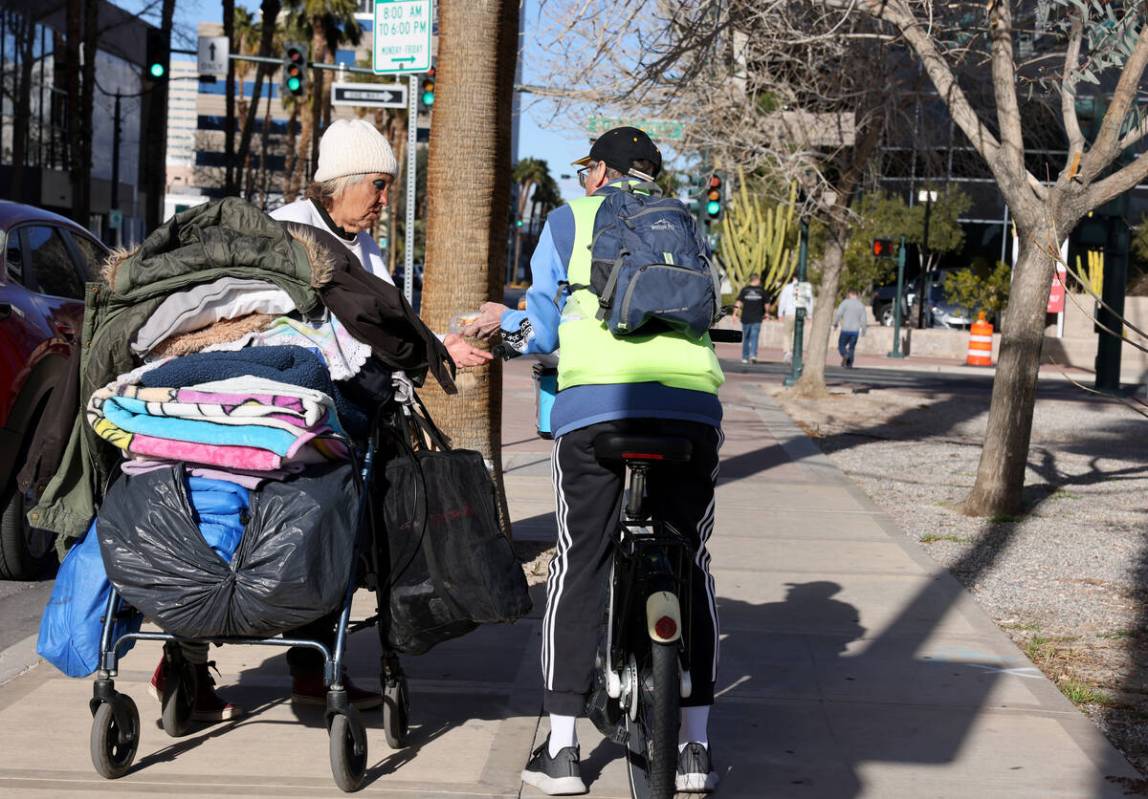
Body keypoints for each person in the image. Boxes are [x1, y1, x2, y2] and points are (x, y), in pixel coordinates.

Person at [466, 127, 724, 795]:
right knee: (690, 559)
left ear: (601, 173)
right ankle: (695, 749)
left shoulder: (568, 218)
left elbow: (545, 330)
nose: (585, 181)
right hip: (692, 412)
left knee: (580, 560)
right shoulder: (687, 221)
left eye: (587, 171)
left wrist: (508, 321)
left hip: (598, 414)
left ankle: (560, 750)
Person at [733, 273, 767, 364]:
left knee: (747, 338)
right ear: (756, 280)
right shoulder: (761, 290)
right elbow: (767, 303)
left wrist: (734, 314)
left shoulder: (745, 290)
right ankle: (753, 355)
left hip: (746, 318)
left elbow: (738, 302)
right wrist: (767, 313)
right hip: (756, 318)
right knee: (754, 337)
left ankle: (745, 357)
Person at [833, 289, 868, 368]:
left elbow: (838, 314)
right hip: (855, 331)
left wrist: (835, 323)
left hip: (845, 329)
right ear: (857, 295)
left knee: (841, 346)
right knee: (852, 347)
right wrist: (864, 330)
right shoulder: (861, 305)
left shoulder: (845, 303)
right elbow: (864, 319)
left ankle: (845, 355)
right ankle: (849, 364)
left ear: (850, 294)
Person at [776, 276, 799, 363]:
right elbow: (809, 301)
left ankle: (788, 352)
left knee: (787, 333)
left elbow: (783, 301)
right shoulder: (804, 287)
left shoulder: (788, 287)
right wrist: (809, 314)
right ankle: (796, 352)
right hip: (799, 313)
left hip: (789, 313)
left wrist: (780, 313)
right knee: (798, 334)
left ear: (793, 277)